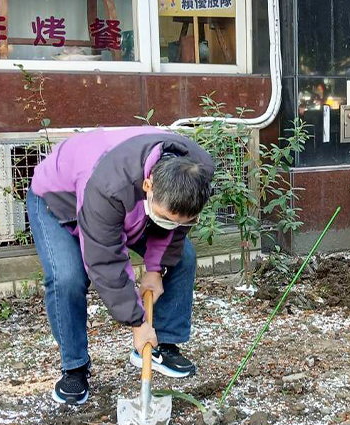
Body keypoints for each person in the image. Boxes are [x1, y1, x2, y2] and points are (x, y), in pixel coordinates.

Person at [28, 127, 215, 404]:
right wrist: (137, 322)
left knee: (183, 257)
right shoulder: (107, 185)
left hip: (129, 200)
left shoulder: (196, 170)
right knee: (67, 277)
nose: (173, 225)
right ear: (148, 185)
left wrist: (155, 269)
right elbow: (106, 261)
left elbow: (175, 227)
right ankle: (74, 368)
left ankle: (160, 345)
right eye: (165, 217)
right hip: (59, 199)